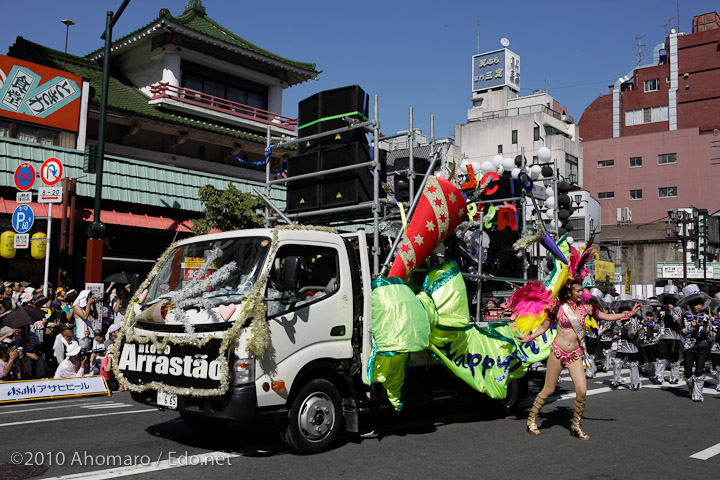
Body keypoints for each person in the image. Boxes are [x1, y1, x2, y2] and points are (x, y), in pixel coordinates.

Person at [518, 280, 641, 439]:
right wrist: (530, 337)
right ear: (569, 293)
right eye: (578, 291)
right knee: (548, 389)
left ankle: (575, 425)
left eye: (581, 291)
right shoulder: (558, 308)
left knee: (582, 391)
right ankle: (532, 419)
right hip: (558, 352)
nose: (581, 294)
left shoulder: (586, 308)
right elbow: (544, 326)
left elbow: (607, 316)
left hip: (575, 354)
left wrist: (628, 314)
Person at [678, 285, 711, 402]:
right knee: (687, 372)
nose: (699, 307)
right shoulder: (685, 317)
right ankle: (692, 390)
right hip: (688, 346)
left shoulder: (705, 316)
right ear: (691, 305)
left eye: (700, 304)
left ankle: (697, 394)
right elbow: (681, 331)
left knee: (699, 371)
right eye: (696, 304)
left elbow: (709, 332)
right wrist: (690, 327)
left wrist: (706, 326)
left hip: (701, 345)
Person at [653, 285, 684, 384]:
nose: (669, 301)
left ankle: (674, 377)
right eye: (667, 299)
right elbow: (657, 321)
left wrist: (672, 311)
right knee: (661, 356)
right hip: (662, 336)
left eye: (671, 299)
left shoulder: (678, 309)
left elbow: (679, 322)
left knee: (674, 357)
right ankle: (659, 377)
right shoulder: (661, 310)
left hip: (674, 336)